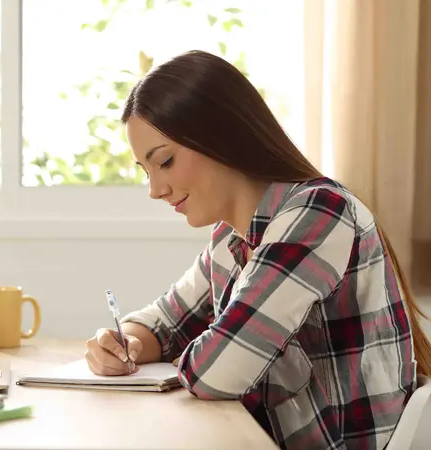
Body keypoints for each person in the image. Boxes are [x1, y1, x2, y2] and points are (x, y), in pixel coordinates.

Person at [84, 50, 431, 450]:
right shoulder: (230, 241)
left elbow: (216, 372)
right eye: (145, 172)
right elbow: (164, 321)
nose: (155, 190)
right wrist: (125, 343)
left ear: (220, 136)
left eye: (165, 162)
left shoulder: (319, 213)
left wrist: (193, 351)